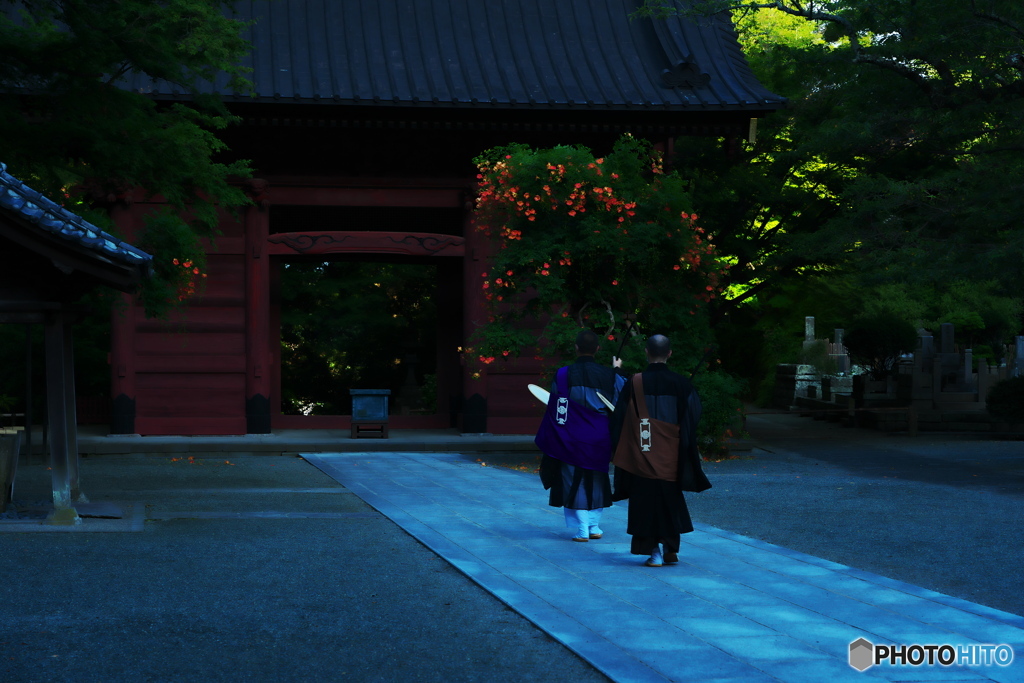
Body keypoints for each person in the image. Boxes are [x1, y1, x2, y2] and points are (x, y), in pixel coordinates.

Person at [610, 334, 711, 566]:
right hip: (670, 451)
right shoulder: (681, 384)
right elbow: (693, 416)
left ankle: (653, 552)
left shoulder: (635, 382)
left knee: (644, 499)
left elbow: (620, 417)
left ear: (646, 352)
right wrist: (677, 436)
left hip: (641, 452)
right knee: (669, 498)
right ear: (669, 353)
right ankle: (670, 549)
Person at [536, 329, 626, 541]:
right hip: (600, 436)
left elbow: (558, 408)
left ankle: (583, 528)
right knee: (598, 478)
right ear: (597, 349)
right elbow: (621, 399)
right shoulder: (609, 375)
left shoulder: (562, 374)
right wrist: (616, 370)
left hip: (571, 436)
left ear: (576, 348)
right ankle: (594, 526)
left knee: (572, 479)